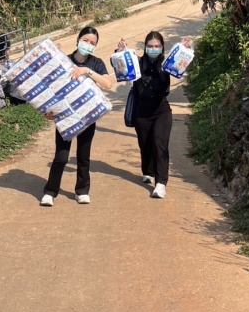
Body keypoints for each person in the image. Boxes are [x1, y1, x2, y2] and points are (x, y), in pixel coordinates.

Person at [41, 26, 115, 207]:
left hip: (87, 117)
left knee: (83, 156)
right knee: (61, 157)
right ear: (78, 40)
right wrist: (48, 111)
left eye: (92, 43)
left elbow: (108, 84)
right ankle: (50, 191)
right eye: (85, 40)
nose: (88, 45)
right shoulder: (65, 61)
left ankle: (82, 191)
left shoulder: (96, 63)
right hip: (65, 117)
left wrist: (86, 71)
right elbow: (51, 88)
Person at [115, 32, 191, 199]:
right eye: (150, 46)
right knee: (145, 144)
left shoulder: (167, 63)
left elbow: (181, 64)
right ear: (145, 47)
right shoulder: (137, 62)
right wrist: (121, 51)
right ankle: (148, 171)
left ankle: (161, 183)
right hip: (141, 112)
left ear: (162, 47)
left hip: (161, 111)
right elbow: (121, 67)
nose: (153, 49)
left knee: (159, 143)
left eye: (157, 46)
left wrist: (184, 49)